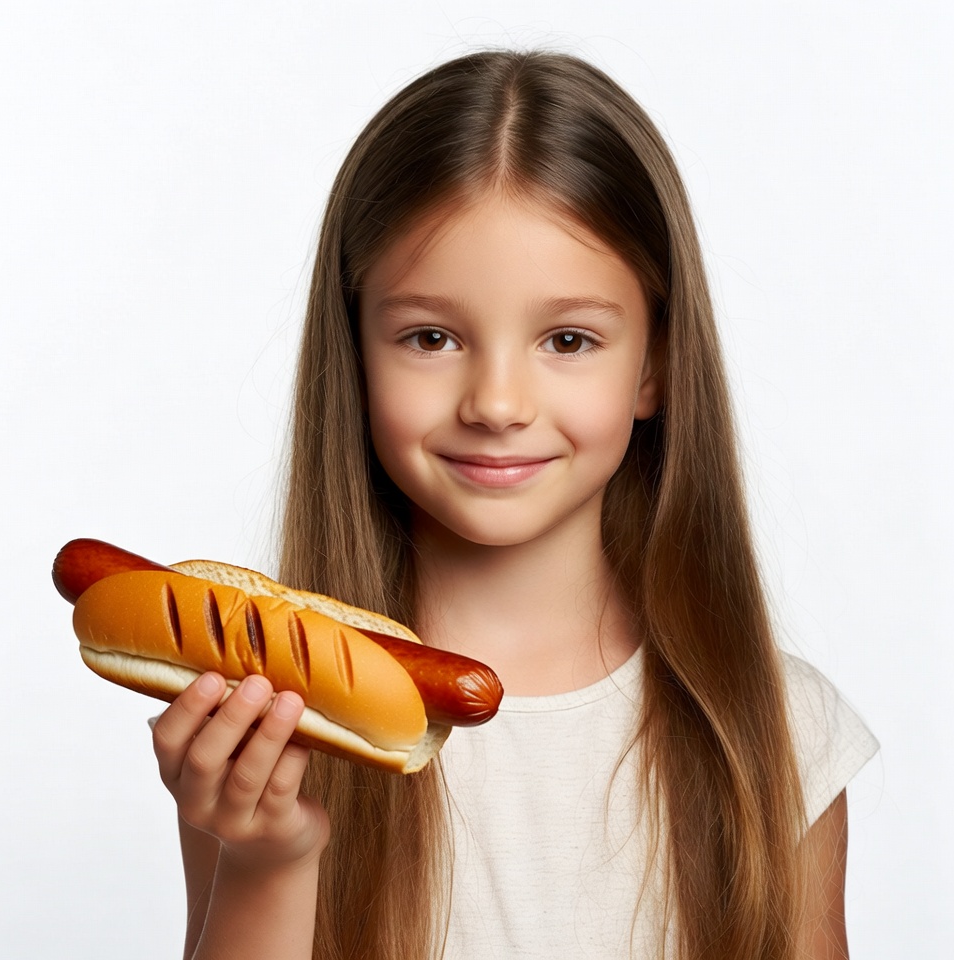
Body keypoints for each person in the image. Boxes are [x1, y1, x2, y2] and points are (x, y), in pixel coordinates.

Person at [150, 50, 878, 960]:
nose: (496, 403)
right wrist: (268, 865)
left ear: (653, 365)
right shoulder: (275, 717)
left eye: (568, 339)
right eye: (432, 336)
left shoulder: (779, 736)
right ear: (356, 353)